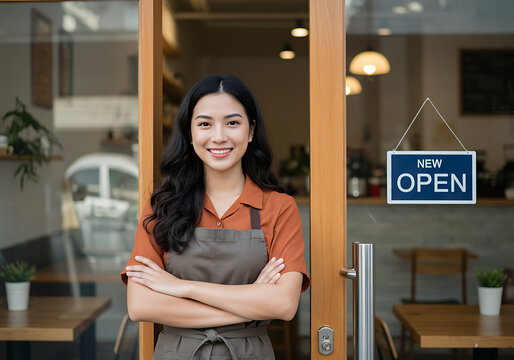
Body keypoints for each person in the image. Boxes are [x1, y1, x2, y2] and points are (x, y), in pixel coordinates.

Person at [121, 74, 310, 360]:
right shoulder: (161, 206)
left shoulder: (280, 208)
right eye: (205, 124)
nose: (219, 136)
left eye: (232, 123)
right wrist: (252, 298)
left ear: (250, 131)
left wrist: (181, 287)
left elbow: (283, 305)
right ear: (190, 133)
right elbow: (141, 305)